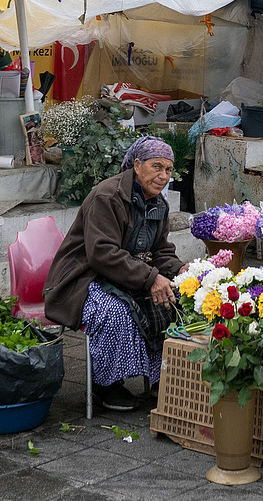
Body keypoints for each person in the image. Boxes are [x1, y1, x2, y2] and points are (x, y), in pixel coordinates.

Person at [43, 136, 188, 411]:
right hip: (86, 277)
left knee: (174, 299)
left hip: (128, 273)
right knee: (115, 311)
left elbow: (161, 251)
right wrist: (150, 278)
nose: (163, 176)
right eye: (156, 166)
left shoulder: (159, 204)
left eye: (168, 170)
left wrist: (179, 269)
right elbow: (102, 254)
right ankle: (106, 385)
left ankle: (162, 378)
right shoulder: (107, 196)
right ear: (137, 165)